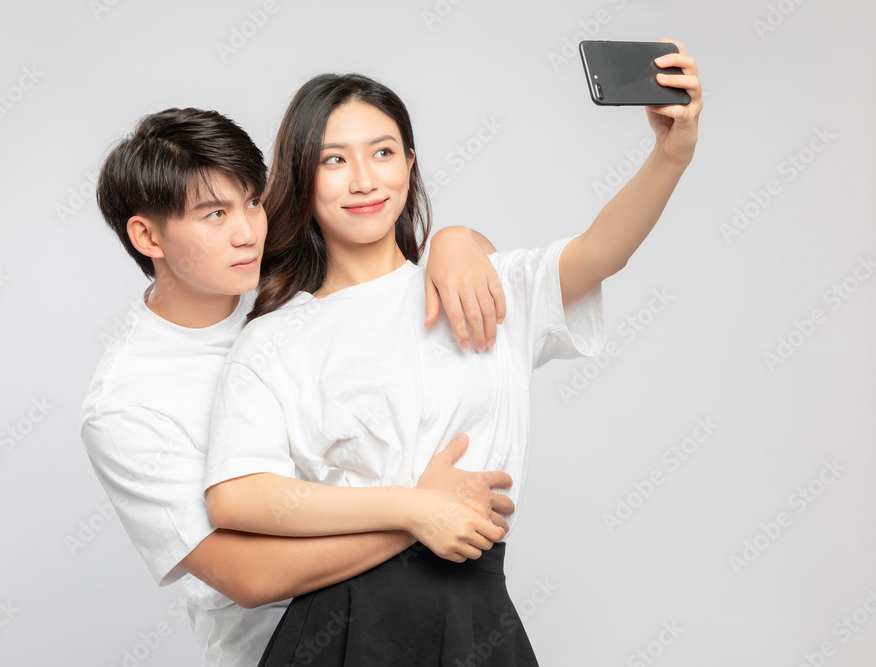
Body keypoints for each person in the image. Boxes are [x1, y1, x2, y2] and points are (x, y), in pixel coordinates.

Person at [204, 40, 702, 665]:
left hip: (476, 613)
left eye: (382, 153)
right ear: (302, 175)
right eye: (334, 160)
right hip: (342, 626)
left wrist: (671, 154)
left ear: (409, 165)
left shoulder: (479, 286)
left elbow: (602, 251)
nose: (363, 180)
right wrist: (414, 507)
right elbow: (236, 496)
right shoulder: (275, 338)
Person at [79, 107, 518, 666]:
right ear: (147, 235)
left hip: (413, 614)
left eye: (254, 201)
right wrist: (417, 511)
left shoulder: (285, 276)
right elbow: (249, 576)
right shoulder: (127, 405)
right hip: (286, 645)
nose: (247, 231)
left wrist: (457, 241)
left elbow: (401, 259)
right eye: (215, 213)